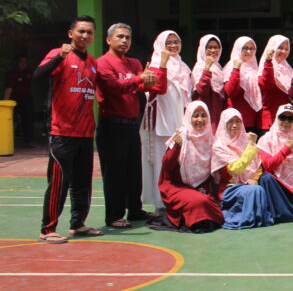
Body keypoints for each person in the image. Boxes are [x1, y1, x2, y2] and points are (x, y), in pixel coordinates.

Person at [35, 15, 102, 242]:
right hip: (62, 132)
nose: (85, 35)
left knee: (83, 182)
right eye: (81, 31)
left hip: (86, 133)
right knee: (59, 183)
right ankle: (48, 229)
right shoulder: (59, 54)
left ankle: (78, 224)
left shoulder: (92, 62)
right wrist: (59, 58)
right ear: (71, 33)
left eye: (89, 32)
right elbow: (38, 75)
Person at [95, 22, 161, 228]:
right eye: (120, 36)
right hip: (112, 124)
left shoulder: (134, 63)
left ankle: (135, 209)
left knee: (134, 170)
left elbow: (141, 86)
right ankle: (114, 215)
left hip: (132, 124)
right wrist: (140, 78)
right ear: (108, 40)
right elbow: (113, 87)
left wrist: (149, 81)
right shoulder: (102, 63)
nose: (124, 41)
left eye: (128, 37)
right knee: (114, 173)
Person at [141, 30, 190, 212]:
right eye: (168, 42)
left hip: (179, 120)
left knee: (178, 161)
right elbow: (159, 89)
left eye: (176, 42)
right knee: (161, 162)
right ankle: (160, 201)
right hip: (160, 122)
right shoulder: (154, 65)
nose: (173, 46)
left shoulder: (184, 67)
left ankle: (177, 197)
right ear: (160, 44)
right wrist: (163, 63)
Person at [156, 101, 223, 232]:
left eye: (203, 115)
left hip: (201, 188)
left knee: (208, 203)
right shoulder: (181, 136)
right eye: (195, 116)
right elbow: (167, 167)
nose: (200, 120)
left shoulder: (210, 139)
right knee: (200, 202)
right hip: (176, 186)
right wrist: (177, 147)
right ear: (188, 117)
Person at [212, 109, 273, 229]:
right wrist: (251, 146)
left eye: (238, 121)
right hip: (230, 188)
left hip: (249, 183)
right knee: (254, 190)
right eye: (230, 122)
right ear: (224, 123)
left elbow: (257, 167)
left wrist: (254, 179)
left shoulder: (245, 140)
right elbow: (236, 168)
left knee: (266, 180)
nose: (234, 125)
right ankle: (246, 220)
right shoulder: (219, 146)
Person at [257, 103, 293, 223]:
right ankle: (285, 212)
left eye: (290, 118)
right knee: (266, 178)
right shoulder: (266, 139)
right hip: (276, 185)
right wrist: (285, 150)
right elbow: (268, 165)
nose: (286, 122)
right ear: (277, 118)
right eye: (282, 117)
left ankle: (281, 213)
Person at [258, 35, 293, 133]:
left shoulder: (288, 70)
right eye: (280, 48)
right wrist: (268, 62)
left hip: (287, 121)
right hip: (270, 121)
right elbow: (268, 84)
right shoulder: (265, 67)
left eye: (286, 49)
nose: (284, 51)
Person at [225, 36, 261, 132]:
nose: (248, 51)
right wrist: (236, 69)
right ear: (238, 48)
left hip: (252, 119)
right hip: (235, 119)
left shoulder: (255, 68)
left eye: (252, 48)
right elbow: (231, 92)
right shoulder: (231, 67)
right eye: (245, 48)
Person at [192, 34, 226, 128]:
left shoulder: (218, 68)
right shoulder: (199, 67)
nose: (213, 50)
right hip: (205, 109)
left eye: (216, 47)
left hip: (217, 109)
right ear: (203, 49)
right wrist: (207, 68)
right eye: (209, 47)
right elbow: (202, 90)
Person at [3, 55, 35, 146]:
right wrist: (4, 104)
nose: (23, 64)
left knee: (28, 119)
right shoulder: (12, 73)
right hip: (14, 100)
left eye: (25, 62)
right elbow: (9, 88)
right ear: (17, 62)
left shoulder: (28, 71)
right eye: (21, 61)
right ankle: (5, 140)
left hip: (26, 99)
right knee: (10, 119)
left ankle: (29, 141)